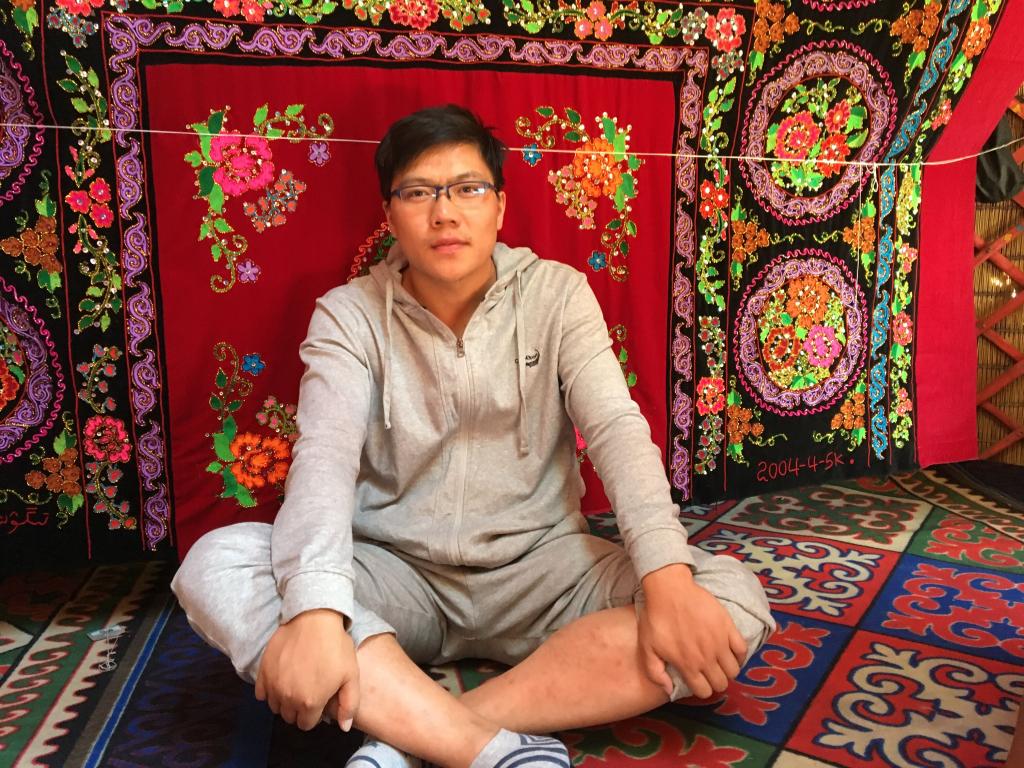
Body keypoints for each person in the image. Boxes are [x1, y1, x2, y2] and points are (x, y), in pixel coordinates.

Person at [172, 104, 775, 768]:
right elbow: (325, 457)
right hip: (393, 573)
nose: (445, 213)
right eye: (418, 193)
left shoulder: (558, 295)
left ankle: (417, 736)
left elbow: (616, 430)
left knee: (729, 603)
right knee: (218, 563)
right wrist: (316, 611)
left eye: (467, 188)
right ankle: (487, 751)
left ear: (500, 206)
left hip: (542, 570)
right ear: (390, 214)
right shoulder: (348, 316)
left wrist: (665, 578)